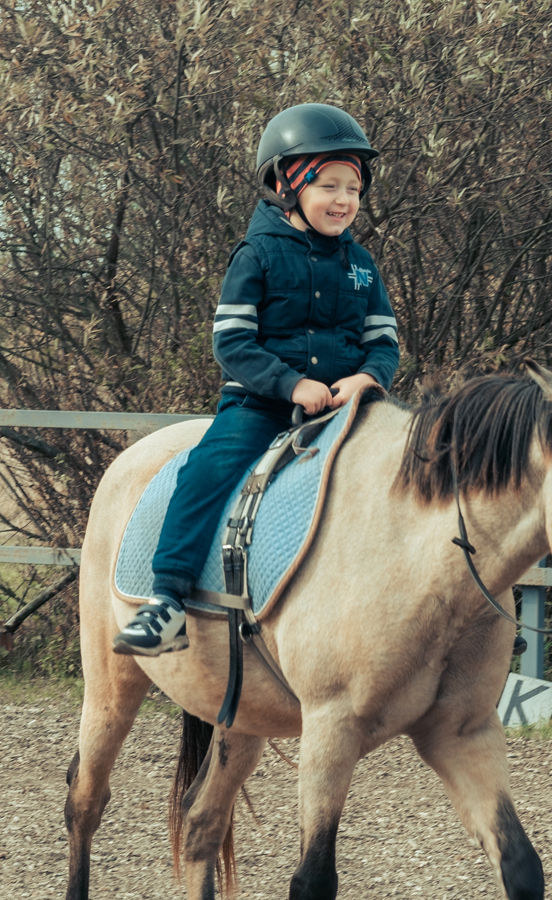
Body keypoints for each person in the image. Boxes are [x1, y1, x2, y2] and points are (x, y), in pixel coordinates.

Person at [113, 103, 400, 656]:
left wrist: (368, 379)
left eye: (354, 189)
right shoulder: (257, 255)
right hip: (261, 405)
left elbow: (383, 343)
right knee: (206, 471)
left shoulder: (362, 264)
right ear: (288, 185)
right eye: (329, 186)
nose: (345, 201)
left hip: (348, 406)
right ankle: (167, 601)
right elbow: (233, 343)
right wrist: (292, 384)